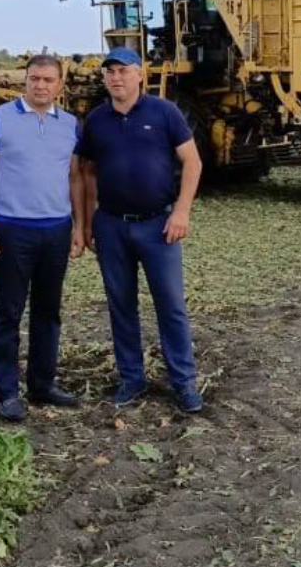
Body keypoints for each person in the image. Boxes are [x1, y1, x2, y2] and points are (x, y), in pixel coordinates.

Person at [76, 46, 205, 414]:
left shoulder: (164, 112)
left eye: (123, 70)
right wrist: (85, 224)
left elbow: (192, 162)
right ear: (104, 79)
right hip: (112, 226)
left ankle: (184, 382)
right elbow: (84, 171)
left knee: (171, 306)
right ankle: (132, 379)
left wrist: (181, 212)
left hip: (158, 226)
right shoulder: (96, 120)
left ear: (139, 76)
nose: (116, 77)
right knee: (121, 305)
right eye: (110, 72)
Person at [0, 54, 85, 422]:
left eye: (49, 80)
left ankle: (42, 384)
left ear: (60, 85)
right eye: (34, 78)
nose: (41, 86)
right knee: (9, 312)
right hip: (12, 230)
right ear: (25, 80)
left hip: (56, 230)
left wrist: (79, 226)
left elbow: (75, 178)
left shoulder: (70, 125)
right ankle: (6, 392)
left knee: (48, 312)